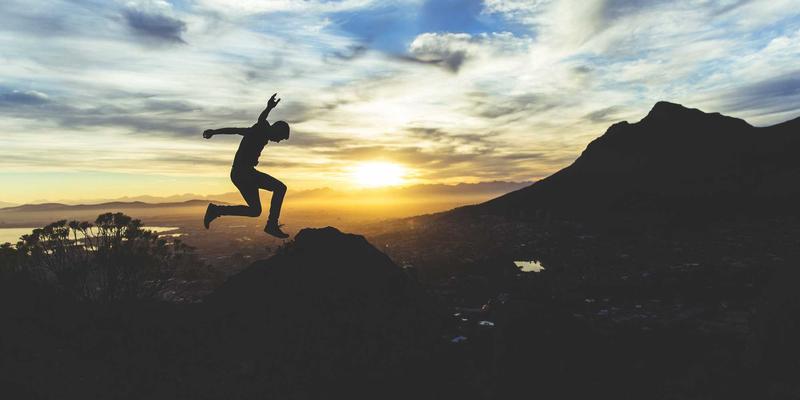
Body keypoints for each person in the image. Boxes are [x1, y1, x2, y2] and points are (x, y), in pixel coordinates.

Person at [202, 93, 290, 239]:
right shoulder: (260, 130)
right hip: (243, 173)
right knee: (280, 188)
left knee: (255, 211)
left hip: (242, 174)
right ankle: (271, 225)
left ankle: (216, 210)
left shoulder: (261, 132)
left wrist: (214, 132)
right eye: (280, 137)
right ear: (277, 130)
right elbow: (253, 123)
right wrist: (268, 108)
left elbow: (246, 126)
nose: (279, 141)